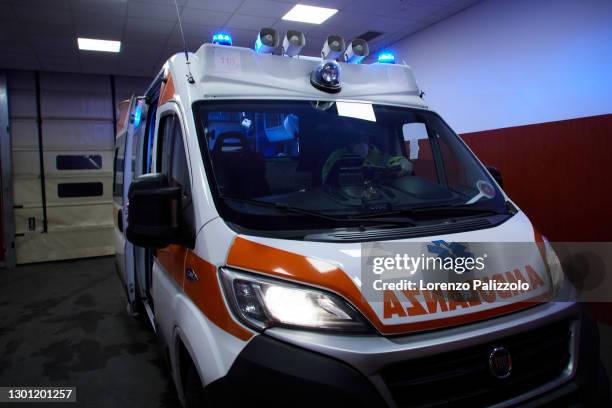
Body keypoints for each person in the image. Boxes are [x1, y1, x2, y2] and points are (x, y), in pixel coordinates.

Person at [321, 133, 413, 184]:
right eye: (358, 139)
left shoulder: (375, 153)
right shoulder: (338, 155)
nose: (362, 143)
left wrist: (402, 161)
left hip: (373, 197)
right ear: (350, 140)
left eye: (365, 139)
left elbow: (390, 160)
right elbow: (326, 180)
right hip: (344, 197)